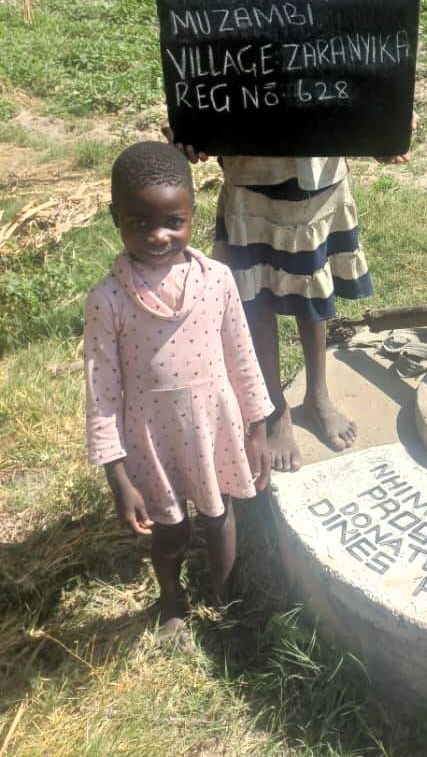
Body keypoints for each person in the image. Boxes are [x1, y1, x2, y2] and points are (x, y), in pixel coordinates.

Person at [165, 0, 410, 472]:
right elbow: (207, 87)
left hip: (322, 179)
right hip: (249, 184)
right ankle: (273, 410)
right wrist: (193, 131)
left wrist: (387, 127)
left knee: (314, 292)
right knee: (260, 302)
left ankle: (320, 395)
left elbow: (371, 77)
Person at [84, 141, 273, 639]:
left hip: (214, 425)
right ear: (114, 218)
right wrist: (117, 476)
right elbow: (101, 388)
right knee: (170, 533)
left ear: (192, 213)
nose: (158, 235)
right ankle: (172, 603)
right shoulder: (107, 300)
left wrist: (259, 427)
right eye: (139, 222)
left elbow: (242, 355)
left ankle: (227, 601)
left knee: (219, 517)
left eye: (173, 221)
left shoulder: (218, 280)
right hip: (152, 437)